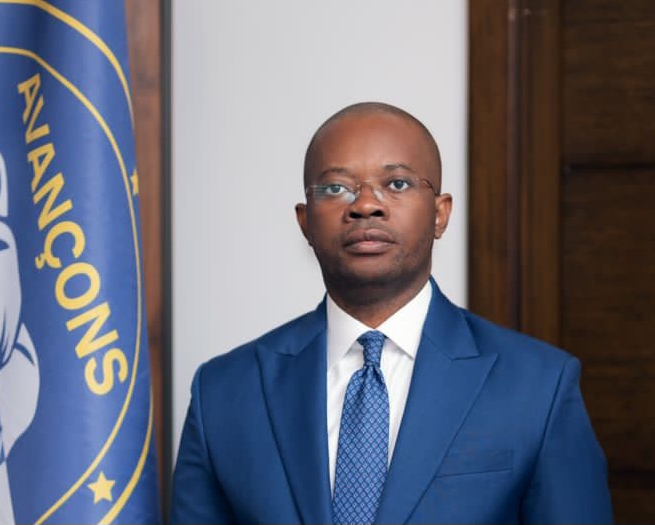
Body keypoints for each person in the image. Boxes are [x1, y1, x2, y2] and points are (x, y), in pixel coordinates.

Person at [170, 102, 613, 524]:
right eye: (336, 188)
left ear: (440, 214)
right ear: (305, 223)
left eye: (397, 183)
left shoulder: (539, 386)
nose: (365, 205)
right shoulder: (223, 393)